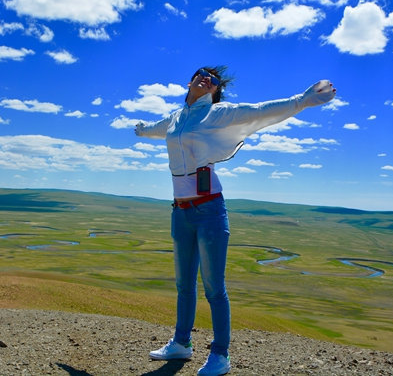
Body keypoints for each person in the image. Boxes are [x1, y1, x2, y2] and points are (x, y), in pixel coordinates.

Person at [135, 66, 336, 376]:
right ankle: (181, 344)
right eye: (202, 74)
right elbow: (158, 128)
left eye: (213, 80)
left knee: (214, 288)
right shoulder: (176, 118)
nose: (207, 79)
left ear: (215, 91)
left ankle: (220, 354)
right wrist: (142, 129)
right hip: (181, 211)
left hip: (209, 210)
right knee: (184, 285)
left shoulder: (217, 114)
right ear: (191, 81)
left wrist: (302, 100)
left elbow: (259, 111)